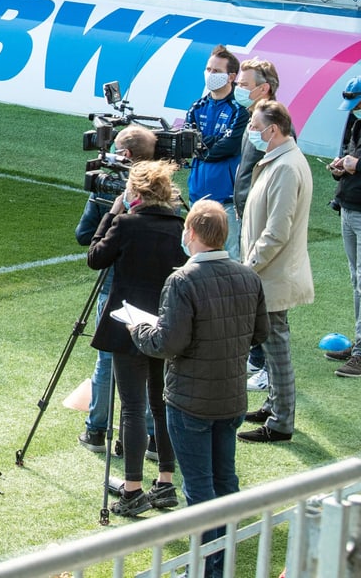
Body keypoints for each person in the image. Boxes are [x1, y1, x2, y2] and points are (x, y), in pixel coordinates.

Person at [130, 200, 269, 578]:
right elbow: (261, 333)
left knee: (199, 489)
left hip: (190, 401)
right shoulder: (248, 276)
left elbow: (168, 343)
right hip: (231, 397)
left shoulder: (183, 280)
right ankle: (218, 564)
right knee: (226, 481)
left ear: (190, 233)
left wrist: (138, 329)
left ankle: (208, 569)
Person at [87, 160, 186, 516]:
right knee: (161, 405)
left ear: (137, 192)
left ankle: (132, 488)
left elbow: (95, 257)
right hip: (167, 324)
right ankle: (165, 482)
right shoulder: (180, 226)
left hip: (128, 324)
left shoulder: (127, 223)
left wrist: (111, 215)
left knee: (132, 408)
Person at [75, 124, 158, 456]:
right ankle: (152, 437)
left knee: (107, 357)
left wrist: (111, 211)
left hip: (114, 281)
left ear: (122, 155)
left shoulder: (106, 191)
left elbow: (85, 238)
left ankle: (96, 431)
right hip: (154, 286)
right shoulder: (166, 194)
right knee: (151, 357)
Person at [238, 100, 313, 443]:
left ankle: (281, 422)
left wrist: (248, 268)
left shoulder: (285, 167)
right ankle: (274, 406)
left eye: (255, 125)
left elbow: (276, 231)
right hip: (269, 274)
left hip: (271, 275)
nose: (251, 131)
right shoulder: (282, 160)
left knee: (276, 349)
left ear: (273, 129)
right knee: (272, 349)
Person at [232, 57, 281, 392]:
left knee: (261, 295)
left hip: (259, 218)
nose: (238, 90)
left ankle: (265, 366)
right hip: (247, 212)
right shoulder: (254, 119)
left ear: (263, 88)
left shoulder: (271, 124)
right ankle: (256, 358)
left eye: (244, 85)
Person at [185, 44, 249, 260]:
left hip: (226, 200)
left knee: (231, 257)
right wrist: (210, 144)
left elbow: (229, 146)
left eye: (217, 71)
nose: (210, 74)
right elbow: (186, 144)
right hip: (198, 198)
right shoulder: (197, 107)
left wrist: (201, 147)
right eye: (208, 69)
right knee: (193, 255)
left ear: (231, 76)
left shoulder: (239, 110)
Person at [325, 77, 361, 375]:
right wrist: (340, 169)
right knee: (356, 281)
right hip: (349, 207)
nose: (354, 110)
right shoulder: (355, 120)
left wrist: (356, 165)